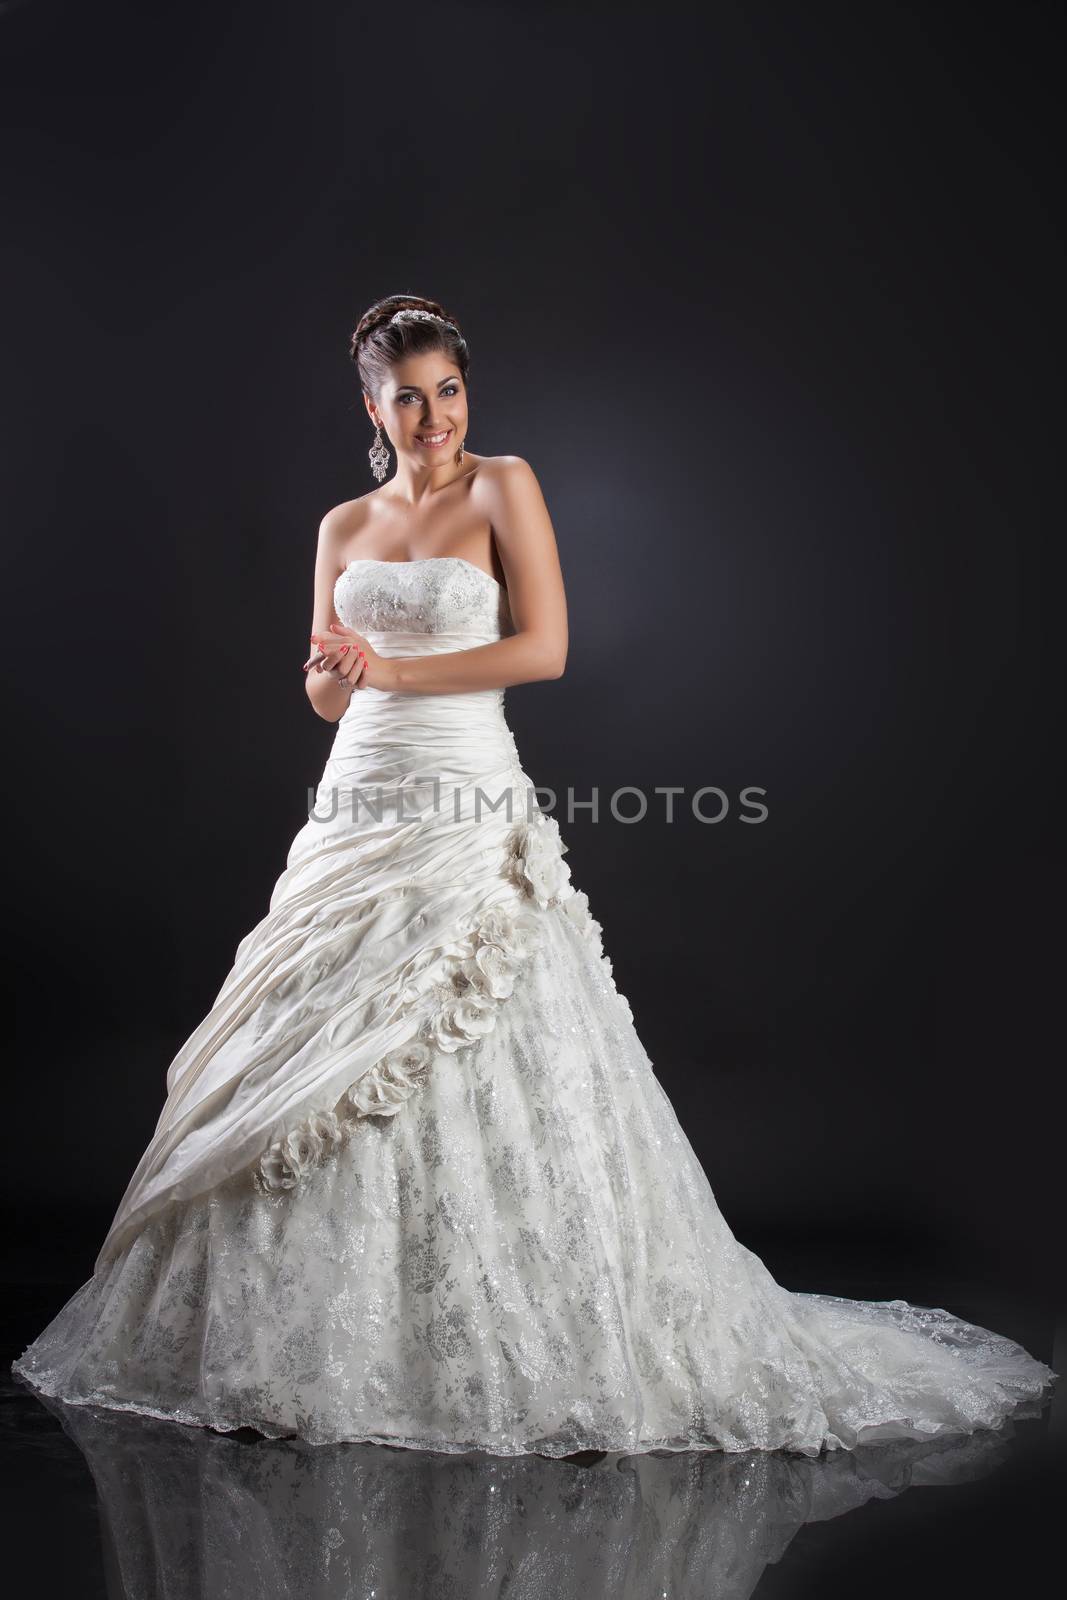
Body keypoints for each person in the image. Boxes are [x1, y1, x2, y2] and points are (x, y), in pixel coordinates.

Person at [12, 294, 1057, 1458]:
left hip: (463, 782)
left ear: (467, 392)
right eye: (406, 397)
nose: (432, 417)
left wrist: (393, 676)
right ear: (371, 407)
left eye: (447, 390)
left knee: (476, 1015)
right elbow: (319, 690)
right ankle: (335, 1332)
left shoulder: (502, 486)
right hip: (360, 794)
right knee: (317, 1028)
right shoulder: (340, 525)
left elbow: (543, 648)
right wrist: (339, 671)